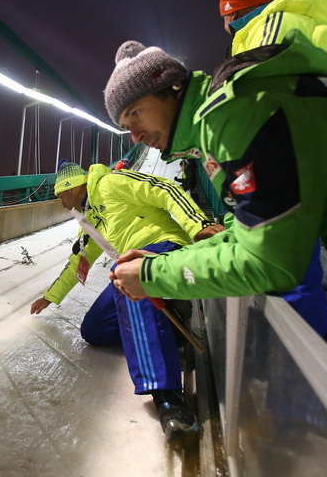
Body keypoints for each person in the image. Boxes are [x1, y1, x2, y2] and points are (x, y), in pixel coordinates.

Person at [102, 35, 327, 420]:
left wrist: (152, 275)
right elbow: (246, 230)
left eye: (136, 115)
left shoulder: (238, 112)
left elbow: (269, 263)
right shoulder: (213, 130)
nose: (135, 136)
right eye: (126, 126)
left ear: (172, 88)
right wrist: (177, 258)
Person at [30, 159, 224, 438]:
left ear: (74, 186)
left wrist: (198, 225)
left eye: (61, 195)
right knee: (93, 329)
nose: (61, 203)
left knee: (124, 274)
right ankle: (169, 328)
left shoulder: (111, 183)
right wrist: (50, 297)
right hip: (134, 265)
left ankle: (167, 395)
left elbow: (165, 189)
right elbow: (78, 262)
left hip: (165, 247)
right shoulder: (89, 218)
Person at [216, 0, 327, 336]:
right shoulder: (301, 23)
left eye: (225, 16)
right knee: (302, 274)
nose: (225, 26)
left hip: (285, 173)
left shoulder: (262, 35)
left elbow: (259, 109)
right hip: (312, 160)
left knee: (291, 281)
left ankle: (299, 385)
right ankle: (306, 371)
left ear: (235, 10)